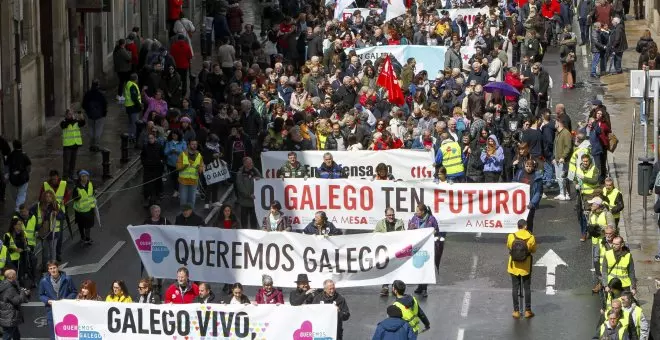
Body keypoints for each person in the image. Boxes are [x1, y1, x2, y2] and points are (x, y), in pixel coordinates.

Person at [38, 261, 77, 340]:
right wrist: (48, 300)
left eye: (54, 268)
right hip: (52, 310)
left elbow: (74, 292)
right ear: (48, 270)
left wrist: (65, 300)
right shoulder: (44, 281)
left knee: (67, 332)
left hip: (65, 309)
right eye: (50, 269)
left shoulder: (67, 279)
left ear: (58, 268)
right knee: (53, 333)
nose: (53, 270)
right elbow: (41, 295)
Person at [507, 219, 537, 319]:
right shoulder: (531, 237)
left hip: (514, 266)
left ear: (518, 226)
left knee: (515, 288)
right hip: (525, 267)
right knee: (527, 288)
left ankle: (516, 311)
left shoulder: (511, 236)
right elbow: (534, 250)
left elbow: (509, 247)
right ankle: (528, 311)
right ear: (525, 226)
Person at [407, 204, 438, 297]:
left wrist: (430, 233)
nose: (416, 212)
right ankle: (420, 286)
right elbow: (409, 229)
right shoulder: (414, 218)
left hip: (427, 247)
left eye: (418, 211)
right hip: (417, 246)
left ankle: (424, 288)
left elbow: (436, 230)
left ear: (423, 211)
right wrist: (411, 228)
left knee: (426, 267)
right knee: (418, 266)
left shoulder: (431, 219)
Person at [31, 190, 65, 269]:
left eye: (50, 196)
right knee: (45, 251)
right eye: (46, 196)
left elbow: (62, 217)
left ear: (52, 197)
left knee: (52, 250)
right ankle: (45, 266)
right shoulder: (38, 206)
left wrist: (57, 214)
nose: (48, 198)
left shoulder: (56, 205)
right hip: (44, 232)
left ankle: (53, 266)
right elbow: (30, 213)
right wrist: (37, 226)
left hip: (53, 232)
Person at [375, 208, 405, 296]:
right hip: (385, 249)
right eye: (389, 215)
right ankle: (385, 287)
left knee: (396, 268)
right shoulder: (380, 223)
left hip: (396, 249)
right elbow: (375, 234)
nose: (391, 217)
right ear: (385, 215)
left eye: (393, 215)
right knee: (386, 268)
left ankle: (395, 287)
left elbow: (404, 234)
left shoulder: (399, 222)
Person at [514, 159, 543, 233]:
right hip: (519, 202)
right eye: (527, 166)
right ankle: (519, 235)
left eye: (530, 166)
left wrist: (533, 203)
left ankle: (529, 235)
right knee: (519, 220)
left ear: (533, 167)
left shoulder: (537, 176)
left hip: (530, 202)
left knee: (529, 220)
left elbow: (538, 192)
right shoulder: (520, 172)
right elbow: (514, 183)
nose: (528, 168)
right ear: (524, 165)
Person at [0, 268, 29, 339]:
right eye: (15, 275)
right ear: (12, 277)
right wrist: (23, 292)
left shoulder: (4, 284)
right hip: (10, 316)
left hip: (6, 315)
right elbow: (18, 300)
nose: (16, 276)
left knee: (16, 334)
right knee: (7, 335)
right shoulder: (9, 289)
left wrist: (20, 290)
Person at [176, 139, 204, 209]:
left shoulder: (199, 155)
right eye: (192, 144)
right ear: (188, 145)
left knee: (192, 200)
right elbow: (178, 167)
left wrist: (200, 169)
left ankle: (191, 215)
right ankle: (183, 215)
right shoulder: (182, 154)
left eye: (195, 144)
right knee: (183, 200)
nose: (194, 146)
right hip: (183, 181)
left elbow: (201, 167)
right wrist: (184, 166)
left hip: (193, 182)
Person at [81, 79, 108, 152]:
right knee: (98, 130)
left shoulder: (88, 94)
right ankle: (96, 144)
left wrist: (87, 111)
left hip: (90, 115)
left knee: (91, 129)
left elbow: (83, 104)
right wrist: (104, 113)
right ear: (98, 85)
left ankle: (92, 144)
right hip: (100, 115)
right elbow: (105, 104)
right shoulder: (101, 94)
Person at [235, 156, 262, 229]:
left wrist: (259, 179)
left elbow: (262, 181)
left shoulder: (255, 170)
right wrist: (248, 195)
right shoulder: (240, 173)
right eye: (249, 163)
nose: (251, 164)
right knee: (244, 221)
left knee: (254, 221)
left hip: (254, 202)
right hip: (244, 202)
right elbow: (240, 187)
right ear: (244, 164)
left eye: (252, 162)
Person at [60, 109, 86, 180]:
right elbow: (64, 125)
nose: (70, 115)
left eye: (72, 114)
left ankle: (71, 176)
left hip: (75, 144)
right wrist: (72, 119)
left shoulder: (76, 122)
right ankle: (65, 177)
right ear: (66, 115)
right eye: (69, 114)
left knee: (73, 162)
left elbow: (83, 123)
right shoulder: (63, 122)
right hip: (67, 146)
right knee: (66, 163)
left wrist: (81, 115)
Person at [72, 170, 95, 245]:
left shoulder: (90, 184)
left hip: (89, 209)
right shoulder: (77, 188)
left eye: (86, 176)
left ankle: (88, 238)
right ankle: (82, 237)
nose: (84, 178)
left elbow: (92, 192)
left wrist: (95, 191)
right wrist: (77, 197)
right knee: (81, 225)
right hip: (80, 211)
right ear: (80, 178)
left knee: (88, 225)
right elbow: (74, 198)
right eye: (83, 176)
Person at [6, 140, 31, 212]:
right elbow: (29, 167)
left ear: (13, 146)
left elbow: (7, 166)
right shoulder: (24, 155)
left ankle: (18, 206)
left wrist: (7, 176)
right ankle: (18, 209)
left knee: (15, 195)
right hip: (23, 179)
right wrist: (26, 173)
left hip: (12, 180)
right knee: (21, 194)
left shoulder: (10, 155)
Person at [141, 133, 164, 207]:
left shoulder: (159, 146)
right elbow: (142, 156)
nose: (150, 140)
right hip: (148, 168)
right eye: (149, 138)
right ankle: (147, 198)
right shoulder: (145, 146)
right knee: (147, 184)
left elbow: (162, 156)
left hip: (157, 168)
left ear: (155, 138)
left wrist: (161, 162)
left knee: (157, 183)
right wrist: (145, 164)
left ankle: (157, 198)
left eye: (152, 138)